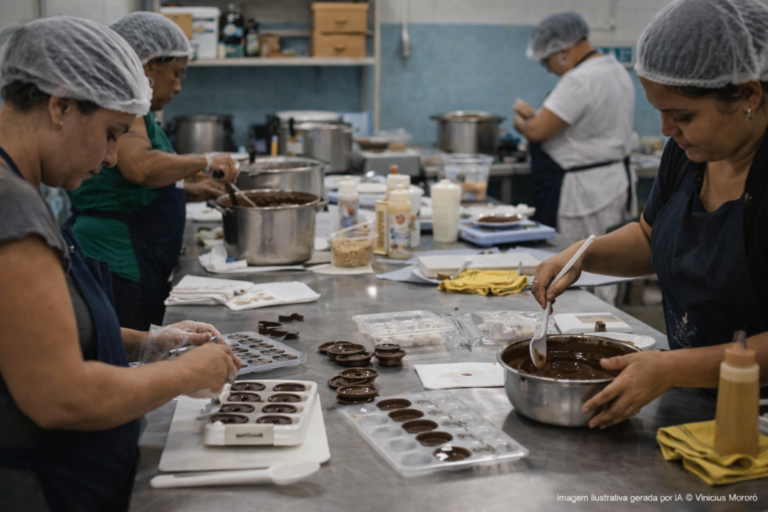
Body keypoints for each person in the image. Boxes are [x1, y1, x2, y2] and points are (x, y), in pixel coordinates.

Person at [0, 17, 240, 511]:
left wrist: (148, 343)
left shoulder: (22, 188)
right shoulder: (10, 208)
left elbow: (38, 338)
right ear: (60, 106)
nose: (113, 158)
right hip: (46, 487)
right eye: (111, 133)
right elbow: (60, 394)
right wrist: (185, 374)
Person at [532, 0, 768, 429]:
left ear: (749, 94)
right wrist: (584, 254)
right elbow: (649, 236)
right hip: (692, 404)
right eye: (660, 112)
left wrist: (673, 368)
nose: (666, 130)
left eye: (682, 115)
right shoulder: (688, 155)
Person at [67, 12, 239, 331]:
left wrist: (186, 191)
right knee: (131, 361)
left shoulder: (134, 109)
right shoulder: (124, 104)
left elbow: (121, 189)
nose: (177, 87)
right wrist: (206, 160)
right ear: (148, 66)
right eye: (175, 74)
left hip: (130, 254)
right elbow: (140, 168)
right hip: (119, 258)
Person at [514, 12, 637, 304]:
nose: (548, 70)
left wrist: (522, 121)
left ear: (563, 51)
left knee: (574, 269)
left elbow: (539, 130)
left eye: (548, 61)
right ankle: (600, 325)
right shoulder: (612, 69)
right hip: (610, 183)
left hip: (585, 193)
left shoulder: (580, 79)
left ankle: (578, 329)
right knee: (604, 271)